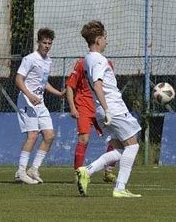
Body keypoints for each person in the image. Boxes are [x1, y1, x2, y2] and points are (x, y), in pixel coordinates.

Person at [76, 20, 141, 198]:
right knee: (133, 147)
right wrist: (108, 110)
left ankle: (87, 171)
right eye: (105, 38)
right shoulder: (98, 59)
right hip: (112, 108)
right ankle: (120, 188)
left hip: (103, 109)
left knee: (121, 150)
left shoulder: (88, 59)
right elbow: (97, 85)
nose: (107, 41)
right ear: (98, 39)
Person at [14, 28, 65, 184]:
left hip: (40, 102)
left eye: (50, 43)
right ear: (38, 42)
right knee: (33, 135)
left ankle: (33, 169)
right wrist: (29, 95)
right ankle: (21, 171)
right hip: (27, 101)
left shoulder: (48, 61)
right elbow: (18, 80)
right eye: (44, 42)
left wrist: (58, 93)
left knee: (49, 135)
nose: (47, 45)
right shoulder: (30, 59)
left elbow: (43, 83)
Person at [66, 58, 117, 182]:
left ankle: (109, 172)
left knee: (116, 138)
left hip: (101, 106)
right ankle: (78, 173)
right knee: (84, 139)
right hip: (85, 106)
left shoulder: (107, 63)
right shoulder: (81, 63)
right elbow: (70, 86)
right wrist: (73, 107)